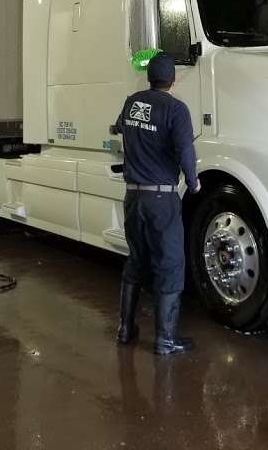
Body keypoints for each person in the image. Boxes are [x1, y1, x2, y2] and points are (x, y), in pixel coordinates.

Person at [113, 51, 200, 356]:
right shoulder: (176, 109)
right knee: (170, 265)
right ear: (173, 79)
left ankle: (125, 329)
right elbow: (185, 151)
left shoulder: (132, 102)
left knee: (136, 259)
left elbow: (119, 128)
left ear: (149, 77)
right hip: (161, 197)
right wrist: (193, 181)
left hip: (133, 196)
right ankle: (165, 339)